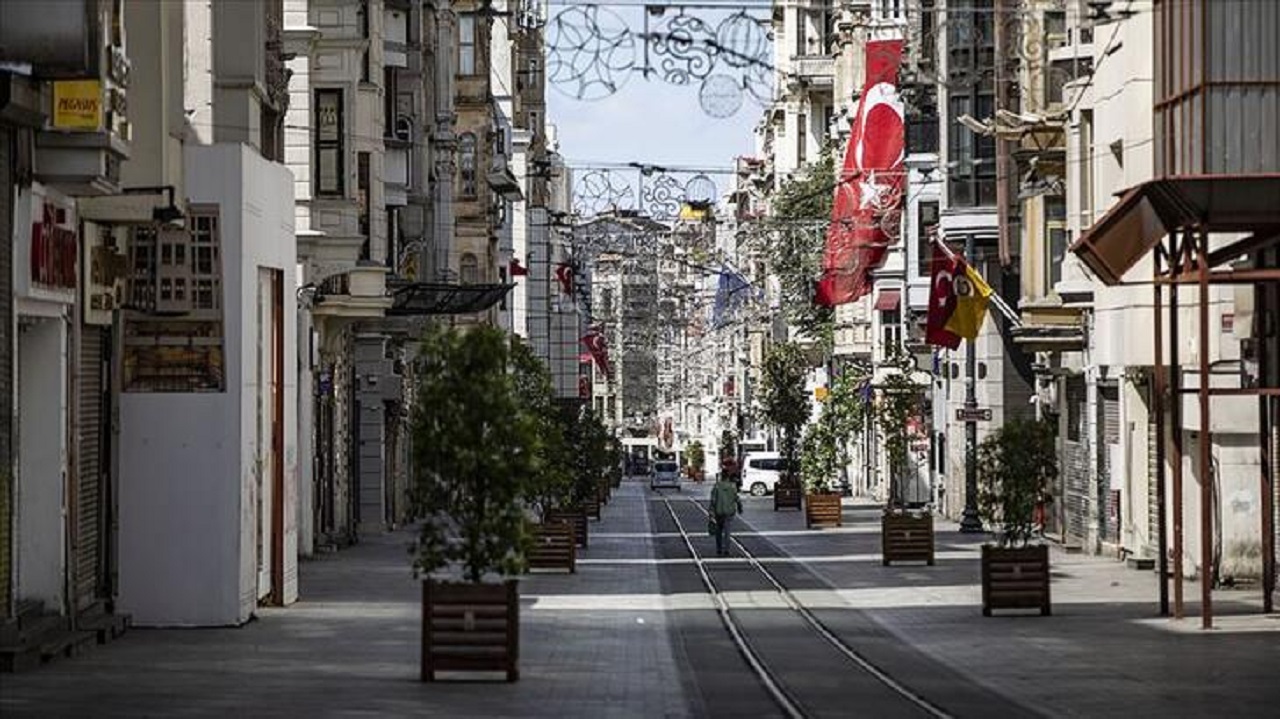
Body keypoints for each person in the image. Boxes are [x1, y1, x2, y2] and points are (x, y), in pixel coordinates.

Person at [709, 471, 743, 557]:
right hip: (729, 512)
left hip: (718, 512)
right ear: (728, 477)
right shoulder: (733, 486)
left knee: (718, 531)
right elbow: (737, 498)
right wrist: (740, 508)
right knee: (727, 531)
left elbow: (713, 500)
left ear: (721, 477)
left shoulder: (717, 486)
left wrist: (711, 511)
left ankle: (719, 549)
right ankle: (726, 550)